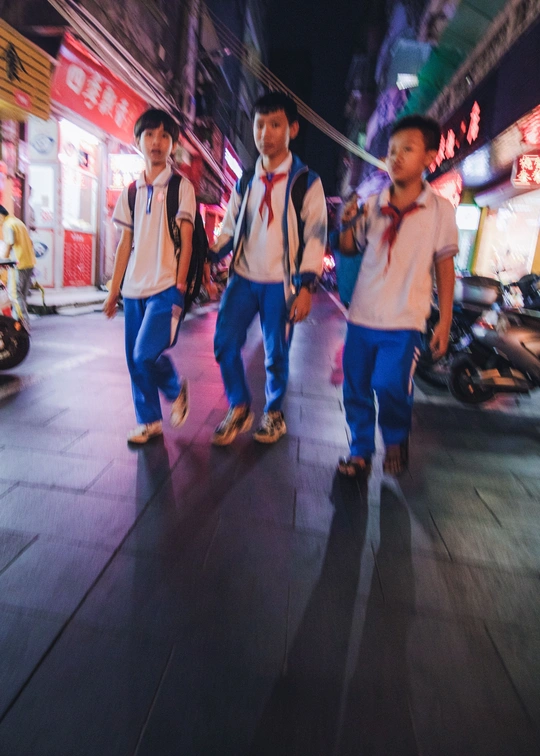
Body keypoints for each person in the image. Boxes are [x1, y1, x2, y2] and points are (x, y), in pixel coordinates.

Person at [338, 114, 458, 478]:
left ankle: (394, 436)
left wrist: (445, 320)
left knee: (389, 384)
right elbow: (349, 248)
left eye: (408, 149)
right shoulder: (373, 205)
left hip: (405, 321)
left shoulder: (440, 210)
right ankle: (360, 450)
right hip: (362, 316)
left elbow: (445, 266)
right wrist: (346, 222)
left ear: (430, 156)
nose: (396, 157)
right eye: (392, 150)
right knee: (356, 388)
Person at [211, 92, 327, 446]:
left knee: (276, 354)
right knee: (224, 342)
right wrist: (209, 254)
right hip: (243, 279)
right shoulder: (246, 180)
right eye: (260, 125)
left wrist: (306, 287)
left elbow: (316, 236)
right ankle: (239, 405)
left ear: (293, 129)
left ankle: (274, 413)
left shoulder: (306, 181)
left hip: (281, 283)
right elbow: (229, 227)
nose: (265, 133)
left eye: (275, 125)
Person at [103, 108, 196, 445]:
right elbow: (124, 244)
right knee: (135, 361)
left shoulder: (181, 187)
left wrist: (180, 285)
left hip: (166, 287)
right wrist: (114, 291)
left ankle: (174, 387)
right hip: (133, 290)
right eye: (150, 135)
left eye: (164, 136)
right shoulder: (131, 191)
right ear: (137, 141)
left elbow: (186, 240)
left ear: (173, 145)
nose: (157, 142)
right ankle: (149, 421)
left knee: (144, 354)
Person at [0, 205, 36, 329]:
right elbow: (31, 242)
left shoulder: (8, 225)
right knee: (21, 296)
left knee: (14, 296)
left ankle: (22, 326)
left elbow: (9, 244)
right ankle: (23, 324)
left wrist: (3, 261)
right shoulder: (18, 222)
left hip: (18, 266)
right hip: (29, 264)